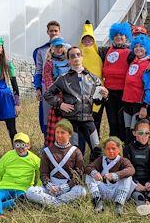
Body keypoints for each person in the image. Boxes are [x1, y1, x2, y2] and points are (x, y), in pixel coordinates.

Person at [44, 46, 108, 159]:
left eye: (78, 54)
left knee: (97, 149)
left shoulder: (93, 78)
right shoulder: (63, 78)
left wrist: (104, 96)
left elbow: (97, 102)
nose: (76, 58)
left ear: (82, 57)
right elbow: (47, 94)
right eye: (72, 56)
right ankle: (75, 175)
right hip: (72, 119)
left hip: (88, 118)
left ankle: (94, 174)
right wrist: (60, 104)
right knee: (74, 152)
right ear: (68, 60)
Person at [26, 120, 87, 207]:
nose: (59, 135)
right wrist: (49, 185)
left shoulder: (76, 152)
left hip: (68, 187)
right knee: (30, 191)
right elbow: (43, 173)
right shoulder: (47, 151)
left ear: (69, 134)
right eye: (57, 132)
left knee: (82, 191)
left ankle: (53, 203)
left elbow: (78, 175)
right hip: (51, 188)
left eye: (62, 132)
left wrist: (67, 186)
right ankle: (60, 204)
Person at [0, 133, 40, 216]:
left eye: (23, 145)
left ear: (28, 146)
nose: (20, 148)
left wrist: (37, 187)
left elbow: (40, 174)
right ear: (14, 146)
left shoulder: (35, 159)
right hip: (5, 187)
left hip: (22, 189)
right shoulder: (7, 156)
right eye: (17, 145)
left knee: (24, 201)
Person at [85, 136, 135, 215]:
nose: (111, 151)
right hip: (103, 190)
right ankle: (98, 202)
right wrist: (95, 173)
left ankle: (118, 205)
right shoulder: (101, 159)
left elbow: (131, 170)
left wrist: (115, 175)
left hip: (117, 191)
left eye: (113, 148)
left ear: (119, 149)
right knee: (90, 175)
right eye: (108, 149)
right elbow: (88, 168)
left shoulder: (123, 160)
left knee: (127, 177)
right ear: (104, 150)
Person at [121, 33, 150, 143]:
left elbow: (149, 87)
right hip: (127, 101)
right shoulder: (133, 61)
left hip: (138, 103)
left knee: (135, 132)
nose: (138, 49)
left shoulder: (149, 64)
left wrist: (145, 106)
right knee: (127, 132)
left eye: (141, 46)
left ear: (146, 48)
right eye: (135, 46)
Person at [101, 22, 133, 140]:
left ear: (126, 37)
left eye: (122, 34)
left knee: (122, 122)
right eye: (116, 35)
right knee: (112, 122)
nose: (119, 37)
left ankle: (123, 146)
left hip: (124, 93)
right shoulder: (105, 51)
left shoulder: (131, 53)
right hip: (109, 93)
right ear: (112, 36)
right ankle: (112, 147)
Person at [78, 20, 104, 153]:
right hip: (80, 99)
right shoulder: (78, 56)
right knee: (81, 129)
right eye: (85, 40)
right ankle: (80, 155)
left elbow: (100, 78)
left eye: (90, 40)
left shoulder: (98, 57)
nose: (87, 42)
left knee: (95, 127)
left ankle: (95, 154)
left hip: (96, 99)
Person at [42, 36, 72, 145]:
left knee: (68, 128)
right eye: (56, 47)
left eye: (61, 47)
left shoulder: (69, 61)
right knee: (56, 128)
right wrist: (58, 101)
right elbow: (49, 86)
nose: (59, 49)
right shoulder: (49, 64)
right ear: (52, 48)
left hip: (70, 97)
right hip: (57, 99)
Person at [33, 20, 62, 135]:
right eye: (51, 31)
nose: (53, 33)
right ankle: (48, 140)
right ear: (47, 32)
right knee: (47, 115)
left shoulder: (67, 47)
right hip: (48, 88)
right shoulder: (41, 50)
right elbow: (38, 71)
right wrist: (38, 88)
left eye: (56, 31)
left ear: (59, 31)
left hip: (64, 88)